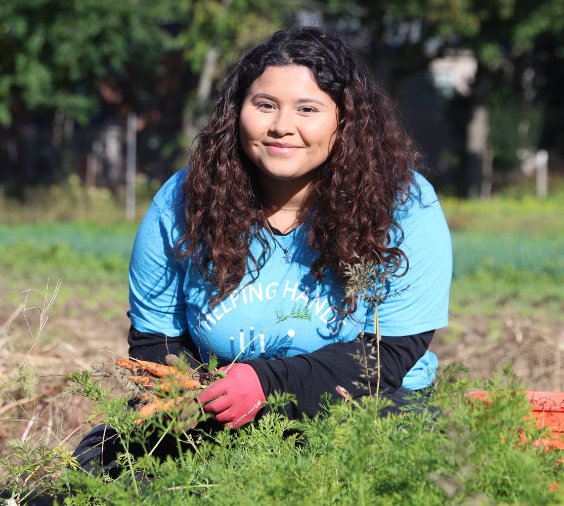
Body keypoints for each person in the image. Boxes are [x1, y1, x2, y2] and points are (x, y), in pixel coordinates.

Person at [73, 25, 451, 475]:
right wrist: (184, 394)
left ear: (345, 119)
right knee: (106, 458)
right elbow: (156, 341)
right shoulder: (181, 201)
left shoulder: (404, 204)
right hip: (223, 414)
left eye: (307, 109)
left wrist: (266, 383)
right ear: (237, 111)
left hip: (366, 407)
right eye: (264, 105)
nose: (281, 127)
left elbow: (390, 354)